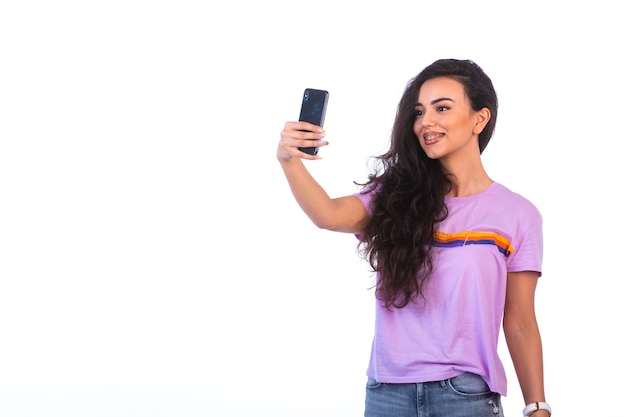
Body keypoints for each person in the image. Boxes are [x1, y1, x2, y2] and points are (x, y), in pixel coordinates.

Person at [276, 58, 549, 417]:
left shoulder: (517, 214)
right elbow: (327, 214)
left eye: (442, 108)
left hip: (464, 396)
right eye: (419, 111)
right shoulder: (393, 197)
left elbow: (519, 321)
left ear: (479, 119)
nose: (426, 122)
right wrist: (289, 160)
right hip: (387, 393)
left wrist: (537, 407)